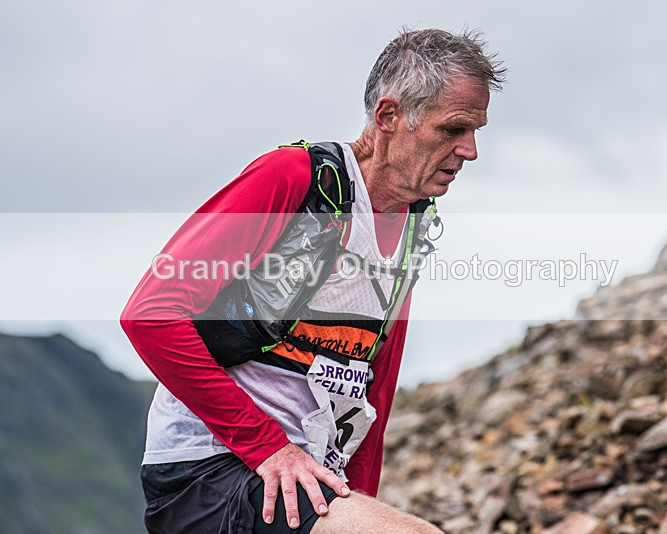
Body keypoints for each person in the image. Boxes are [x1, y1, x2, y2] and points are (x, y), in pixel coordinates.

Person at [121, 28, 505, 533]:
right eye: (453, 129)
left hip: (305, 474)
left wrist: (358, 500)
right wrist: (268, 447)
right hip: (211, 470)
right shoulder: (292, 178)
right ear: (389, 117)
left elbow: (373, 388)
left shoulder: (411, 225)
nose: (470, 150)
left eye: (476, 131)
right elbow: (150, 314)